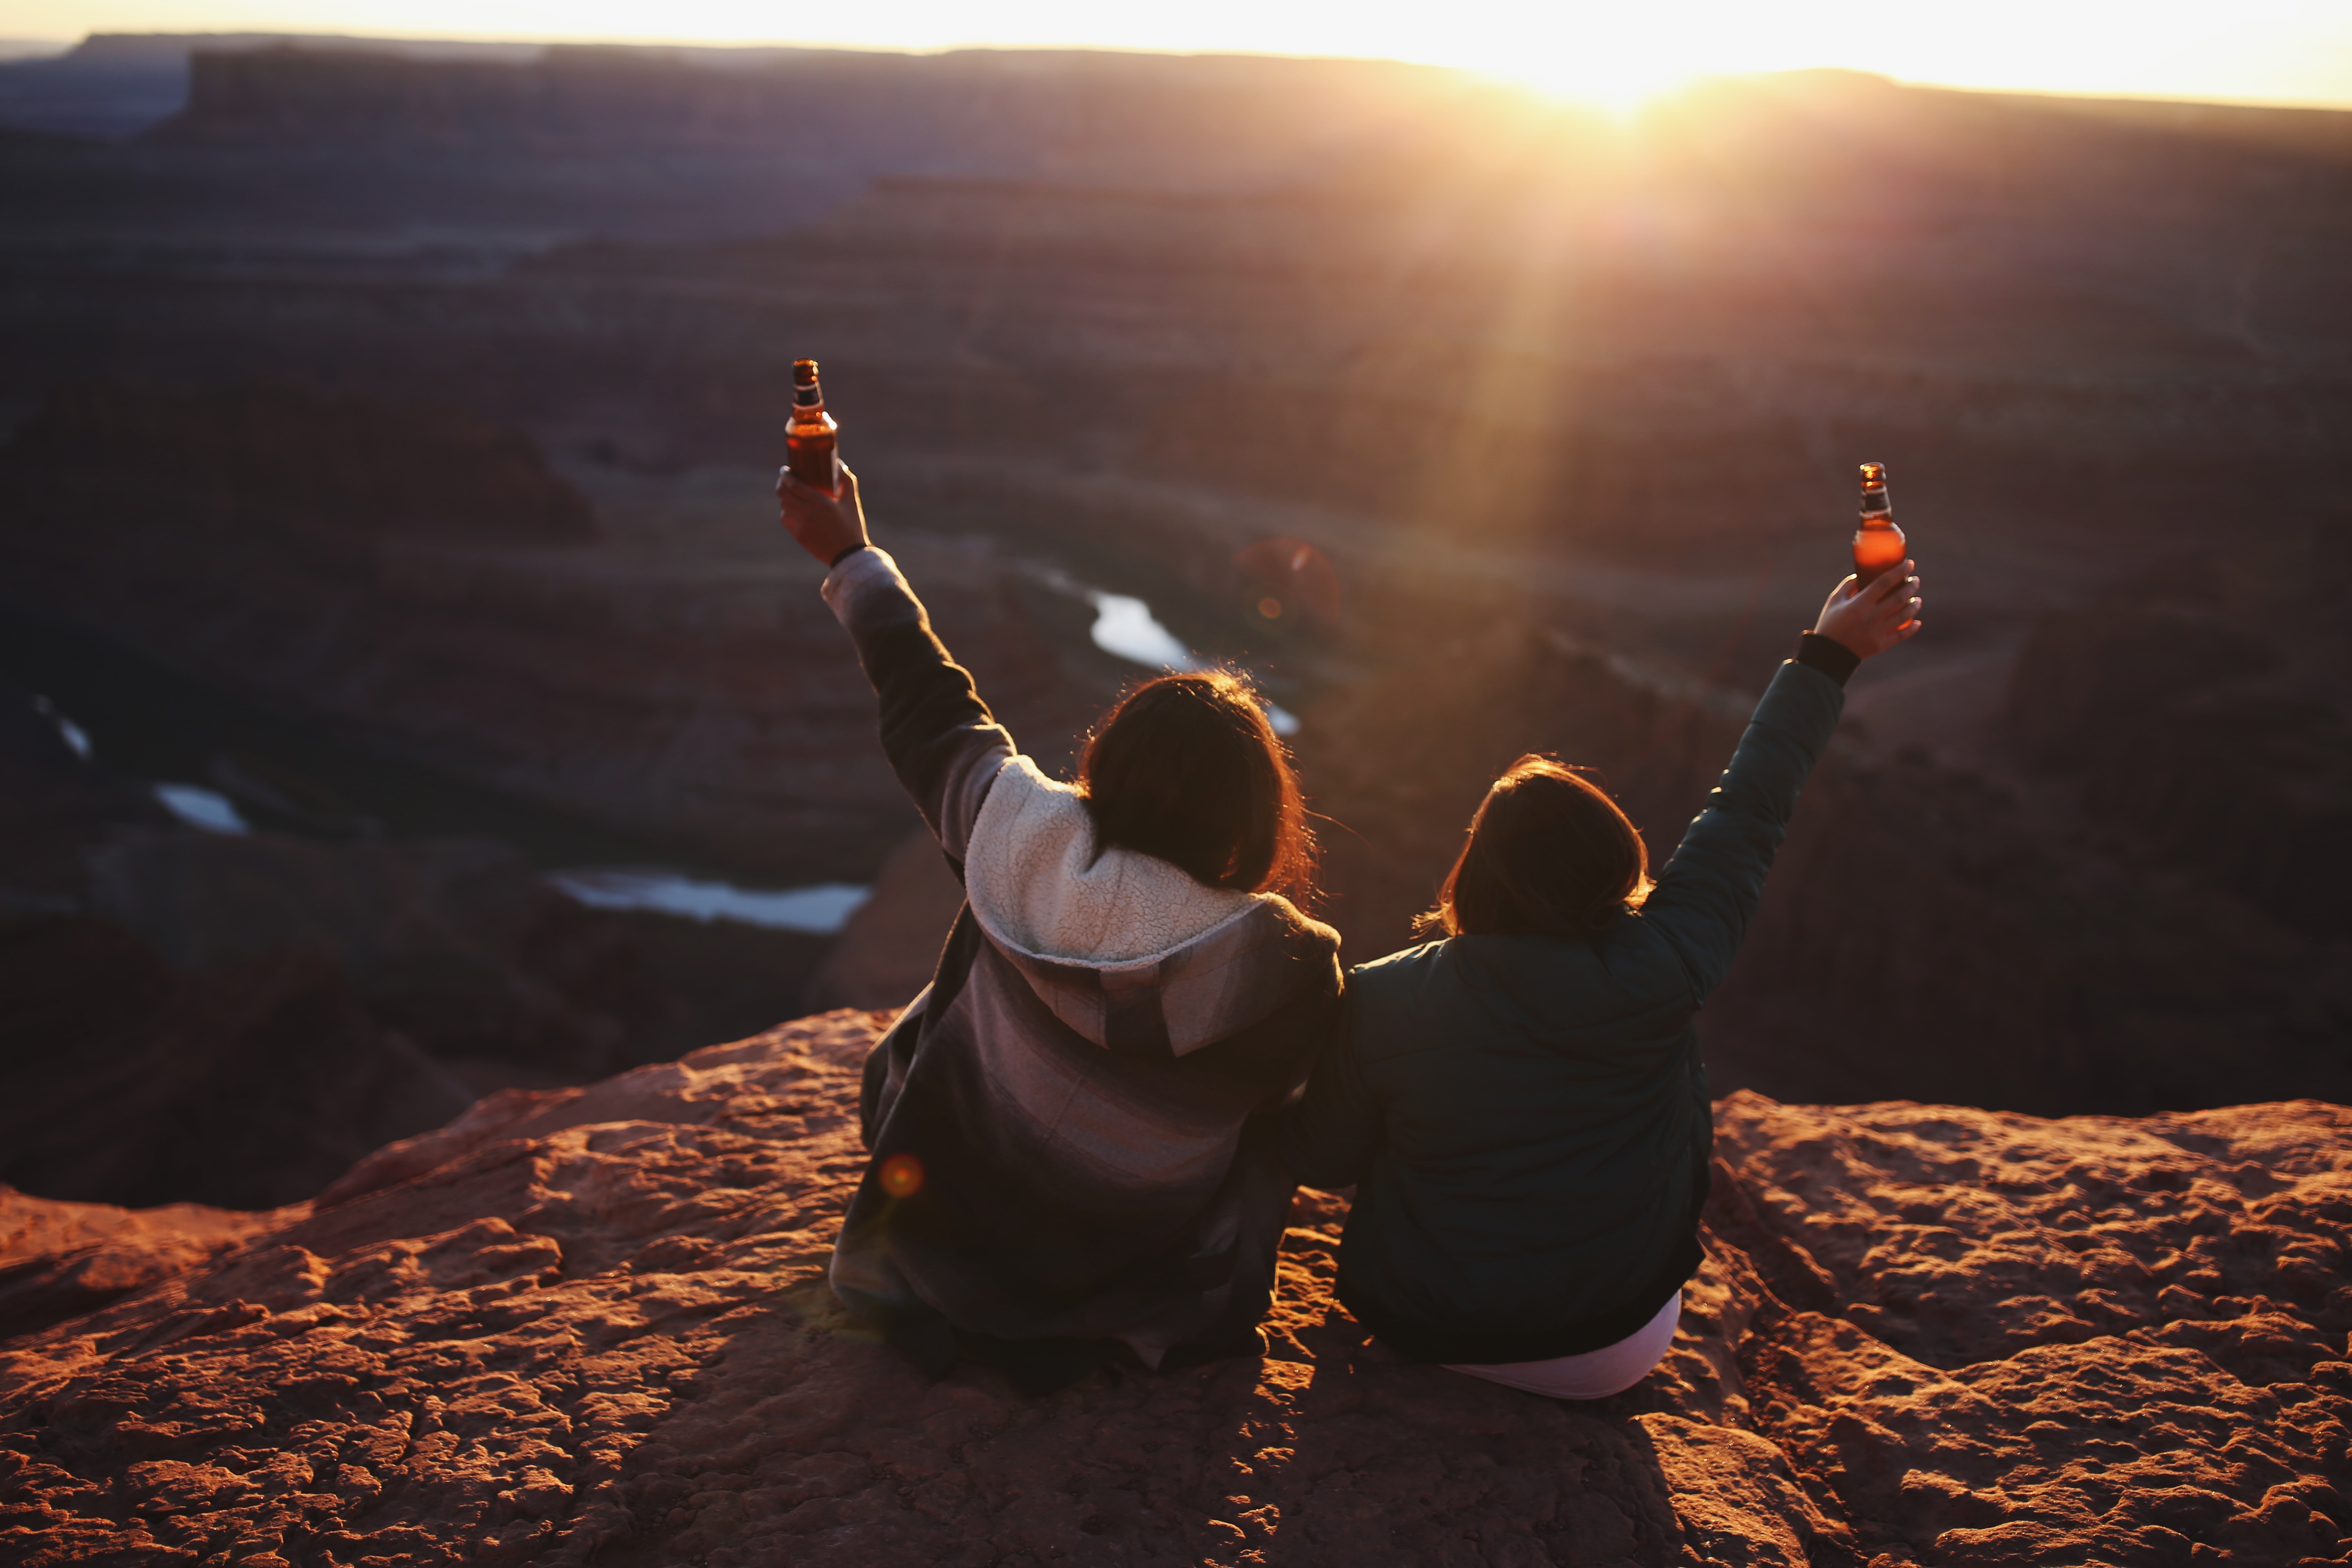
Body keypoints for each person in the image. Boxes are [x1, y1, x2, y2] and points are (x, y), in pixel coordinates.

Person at [1278, 563, 1923, 1400]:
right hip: (1613, 1345)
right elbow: (1751, 805)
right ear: (1620, 865)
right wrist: (1828, 656)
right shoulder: (1670, 960)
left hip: (1421, 1328)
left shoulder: (1381, 994)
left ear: (1475, 878)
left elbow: (1324, 1158)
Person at [775, 463, 1342, 1393]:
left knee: (928, 1024)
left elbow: (925, 696)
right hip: (1134, 1292)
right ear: (1254, 815)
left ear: (1108, 768)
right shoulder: (1283, 961)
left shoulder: (1019, 833)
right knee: (1269, 1119)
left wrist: (850, 549)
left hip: (932, 1267)